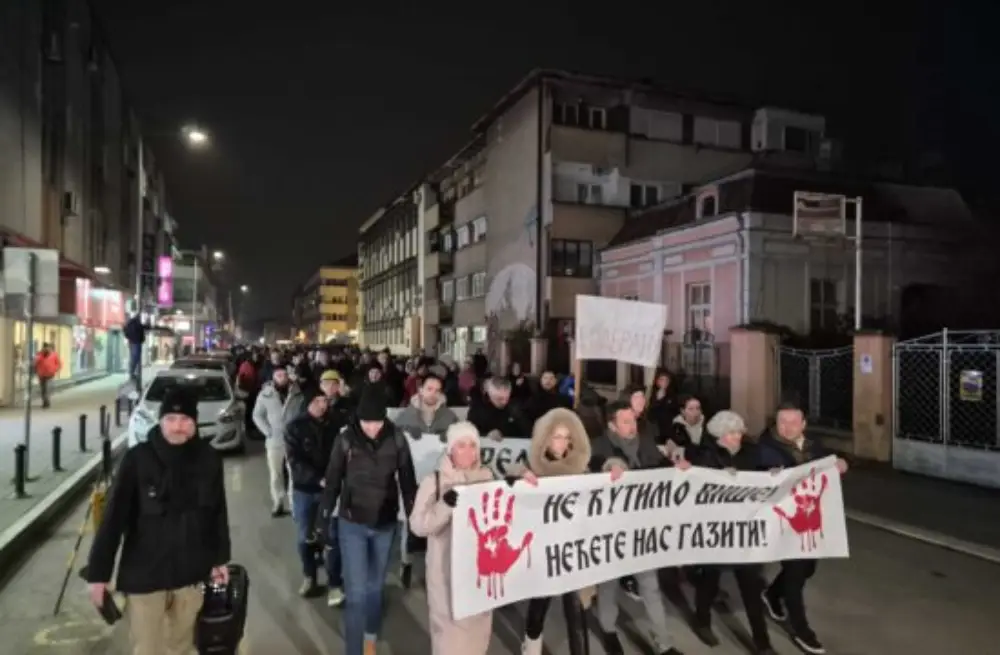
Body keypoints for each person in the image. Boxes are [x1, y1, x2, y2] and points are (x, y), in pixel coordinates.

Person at [84, 386, 231, 654]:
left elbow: (217, 513)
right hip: (145, 575)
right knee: (147, 647)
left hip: (192, 573)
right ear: (160, 421)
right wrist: (99, 575)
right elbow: (113, 519)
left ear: (195, 423)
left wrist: (220, 559)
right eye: (171, 420)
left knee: (182, 645)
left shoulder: (209, 460)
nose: (178, 427)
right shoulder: (137, 459)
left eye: (186, 420)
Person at [321, 386, 418, 655]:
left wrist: (416, 519)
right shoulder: (345, 439)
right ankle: (353, 650)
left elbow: (408, 483)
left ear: (385, 418)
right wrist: (323, 517)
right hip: (352, 523)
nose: (371, 428)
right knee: (356, 593)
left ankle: (370, 638)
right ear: (358, 418)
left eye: (376, 422)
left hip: (385, 524)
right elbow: (332, 482)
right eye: (366, 422)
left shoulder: (397, 439)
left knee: (375, 588)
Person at [589, 400, 687, 655]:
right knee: (609, 584)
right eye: (625, 421)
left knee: (650, 585)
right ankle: (609, 630)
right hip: (612, 530)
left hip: (643, 529)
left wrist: (676, 468)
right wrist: (609, 465)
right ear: (612, 424)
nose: (632, 425)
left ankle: (663, 641)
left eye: (633, 420)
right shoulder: (599, 444)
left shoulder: (644, 441)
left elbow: (657, 468)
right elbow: (597, 462)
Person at [758, 401, 848, 655]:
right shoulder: (766, 448)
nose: (787, 428)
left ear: (804, 424)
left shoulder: (813, 446)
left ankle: (772, 594)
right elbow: (757, 473)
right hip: (785, 521)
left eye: (793, 422)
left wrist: (842, 463)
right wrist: (770, 475)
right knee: (796, 574)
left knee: (808, 568)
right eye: (782, 423)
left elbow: (828, 465)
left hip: (811, 521)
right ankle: (801, 629)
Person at [506, 407, 592, 655]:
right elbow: (509, 477)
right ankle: (532, 645)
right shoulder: (532, 465)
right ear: (545, 437)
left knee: (576, 607)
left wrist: (615, 468)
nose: (561, 442)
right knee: (540, 602)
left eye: (566, 437)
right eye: (556, 436)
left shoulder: (581, 468)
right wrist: (520, 474)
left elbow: (604, 480)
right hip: (543, 550)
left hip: (573, 550)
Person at [690, 410, 775, 655]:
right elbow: (697, 489)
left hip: (743, 531)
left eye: (738, 432)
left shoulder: (751, 453)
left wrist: (772, 475)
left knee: (751, 586)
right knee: (709, 581)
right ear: (719, 435)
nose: (736, 437)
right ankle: (702, 621)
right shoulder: (706, 456)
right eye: (730, 433)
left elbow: (764, 476)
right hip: (716, 532)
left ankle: (762, 642)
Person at [409, 421, 497, 655]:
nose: (468, 452)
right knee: (450, 640)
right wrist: (444, 506)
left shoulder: (487, 477)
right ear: (450, 449)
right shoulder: (434, 482)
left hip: (479, 574)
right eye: (461, 445)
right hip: (445, 575)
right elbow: (417, 525)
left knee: (478, 638)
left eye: (472, 445)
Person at [393, 372, 460, 587]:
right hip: (412, 479)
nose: (432, 394)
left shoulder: (449, 417)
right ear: (420, 390)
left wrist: (450, 436)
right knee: (410, 521)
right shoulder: (406, 416)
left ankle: (437, 568)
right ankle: (406, 561)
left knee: (439, 523)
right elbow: (392, 440)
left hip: (441, 480)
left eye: (437, 390)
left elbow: (461, 440)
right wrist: (405, 433)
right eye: (429, 389)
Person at [285, 387, 344, 604]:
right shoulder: (295, 427)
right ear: (309, 402)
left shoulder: (336, 424)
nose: (323, 405)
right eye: (318, 400)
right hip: (305, 490)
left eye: (325, 400)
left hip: (331, 490)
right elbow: (294, 462)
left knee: (333, 538)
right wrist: (317, 479)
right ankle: (309, 576)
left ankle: (335, 583)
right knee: (305, 537)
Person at [253, 365, 304, 516]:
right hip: (274, 440)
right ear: (273, 377)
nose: (281, 377)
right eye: (278, 375)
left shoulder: (297, 393)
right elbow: (257, 415)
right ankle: (278, 501)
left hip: (293, 440)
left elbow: (303, 414)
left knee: (294, 473)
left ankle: (294, 503)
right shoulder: (265, 394)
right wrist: (267, 431)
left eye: (284, 374)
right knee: (275, 474)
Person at [467, 377, 530, 442]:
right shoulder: (477, 410)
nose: (504, 402)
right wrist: (486, 436)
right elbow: (468, 433)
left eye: (507, 398)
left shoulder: (515, 408)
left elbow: (528, 433)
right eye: (499, 399)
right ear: (490, 395)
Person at [33, 342, 61, 409]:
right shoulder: (39, 355)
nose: (46, 349)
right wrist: (36, 370)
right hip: (41, 375)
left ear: (49, 348)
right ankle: (45, 402)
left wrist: (55, 369)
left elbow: (59, 364)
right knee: (43, 389)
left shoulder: (54, 355)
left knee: (47, 388)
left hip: (50, 375)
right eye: (44, 348)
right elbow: (35, 363)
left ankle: (47, 401)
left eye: (47, 347)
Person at [124, 311, 146, 388]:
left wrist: (129, 338)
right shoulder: (136, 324)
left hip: (132, 342)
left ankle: (133, 373)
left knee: (134, 358)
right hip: (136, 342)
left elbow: (125, 331)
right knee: (135, 358)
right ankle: (132, 374)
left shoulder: (129, 323)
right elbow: (142, 329)